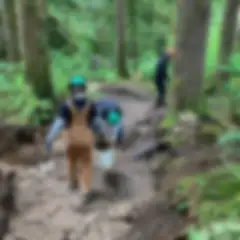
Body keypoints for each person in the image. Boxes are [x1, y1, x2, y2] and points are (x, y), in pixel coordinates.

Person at [45, 75, 97, 206]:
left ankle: (73, 183)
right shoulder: (91, 105)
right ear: (84, 89)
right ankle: (85, 190)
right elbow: (96, 123)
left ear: (71, 90)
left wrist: (50, 138)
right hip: (86, 139)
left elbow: (59, 123)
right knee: (86, 164)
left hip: (70, 140)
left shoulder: (65, 106)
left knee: (71, 161)